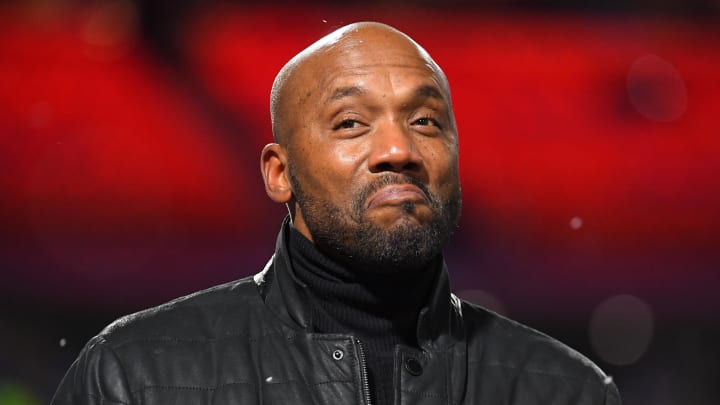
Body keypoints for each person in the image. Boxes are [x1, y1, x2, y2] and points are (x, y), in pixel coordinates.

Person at [52, 22, 621, 405]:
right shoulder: (133, 377)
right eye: (351, 123)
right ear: (279, 174)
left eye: (425, 121)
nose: (399, 150)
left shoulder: (568, 390)